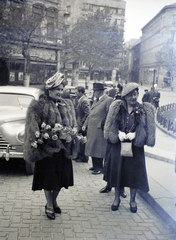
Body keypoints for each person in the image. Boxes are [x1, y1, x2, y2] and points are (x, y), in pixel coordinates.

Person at [23, 72, 78, 220]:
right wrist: (45, 137)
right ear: (48, 90)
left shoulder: (68, 104)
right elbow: (32, 127)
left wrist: (71, 133)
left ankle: (53, 201)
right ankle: (49, 204)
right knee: (48, 179)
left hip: (64, 150)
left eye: (61, 89)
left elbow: (74, 124)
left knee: (61, 179)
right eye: (56, 89)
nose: (60, 92)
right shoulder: (39, 105)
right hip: (47, 151)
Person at [103, 82, 156, 213]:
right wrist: (117, 133)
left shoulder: (142, 110)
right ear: (125, 96)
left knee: (134, 174)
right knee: (117, 173)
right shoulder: (118, 108)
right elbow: (111, 125)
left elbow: (146, 129)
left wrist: (137, 135)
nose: (134, 97)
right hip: (118, 146)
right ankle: (116, 199)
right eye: (131, 95)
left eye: (136, 94)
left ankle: (133, 201)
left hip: (135, 149)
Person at [99, 83, 127, 198]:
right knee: (109, 163)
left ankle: (121, 189)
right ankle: (109, 184)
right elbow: (107, 118)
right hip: (112, 139)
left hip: (124, 141)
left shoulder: (128, 108)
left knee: (122, 165)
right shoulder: (115, 105)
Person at [82, 83, 113, 174]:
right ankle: (95, 165)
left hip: (99, 129)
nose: (93, 93)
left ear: (99, 91)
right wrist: (85, 124)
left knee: (99, 148)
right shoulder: (96, 100)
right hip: (92, 129)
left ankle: (99, 167)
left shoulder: (108, 100)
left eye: (94, 91)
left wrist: (103, 126)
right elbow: (90, 114)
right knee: (92, 148)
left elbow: (109, 115)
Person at [74, 86, 90, 162]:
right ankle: (80, 156)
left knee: (82, 140)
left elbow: (88, 113)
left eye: (76, 92)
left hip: (82, 125)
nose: (75, 93)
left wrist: (83, 123)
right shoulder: (81, 100)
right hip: (80, 124)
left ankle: (83, 157)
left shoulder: (84, 101)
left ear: (81, 92)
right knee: (80, 140)